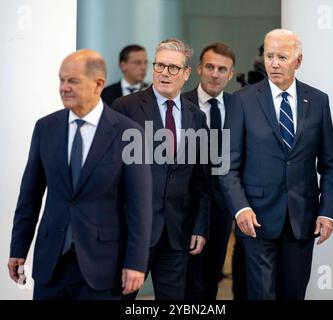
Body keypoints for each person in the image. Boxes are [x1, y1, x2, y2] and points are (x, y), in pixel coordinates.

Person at [8, 49, 153, 300]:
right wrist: (18, 248)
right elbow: (29, 196)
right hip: (50, 264)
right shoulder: (46, 127)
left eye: (72, 81)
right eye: (61, 80)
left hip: (102, 267)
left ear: (98, 84)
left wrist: (136, 262)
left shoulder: (129, 134)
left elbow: (139, 206)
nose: (64, 87)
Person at [219, 29, 333, 300]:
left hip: (303, 221)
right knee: (262, 294)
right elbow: (227, 166)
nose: (273, 63)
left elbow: (330, 164)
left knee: (293, 294)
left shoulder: (318, 101)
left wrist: (327, 211)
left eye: (282, 57)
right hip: (256, 220)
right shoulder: (242, 101)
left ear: (298, 61)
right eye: (269, 56)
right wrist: (240, 209)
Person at [112, 38, 211, 300]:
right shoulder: (126, 108)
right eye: (160, 66)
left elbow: (201, 180)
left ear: (187, 73)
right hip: (134, 231)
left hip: (177, 234)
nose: (164, 73)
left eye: (173, 68)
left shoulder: (196, 116)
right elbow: (111, 175)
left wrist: (200, 226)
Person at [182, 42, 238, 300]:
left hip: (222, 206)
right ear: (199, 70)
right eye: (210, 67)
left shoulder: (239, 106)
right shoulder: (181, 105)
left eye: (222, 69)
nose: (215, 74)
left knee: (211, 278)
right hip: (185, 206)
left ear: (231, 74)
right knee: (183, 279)